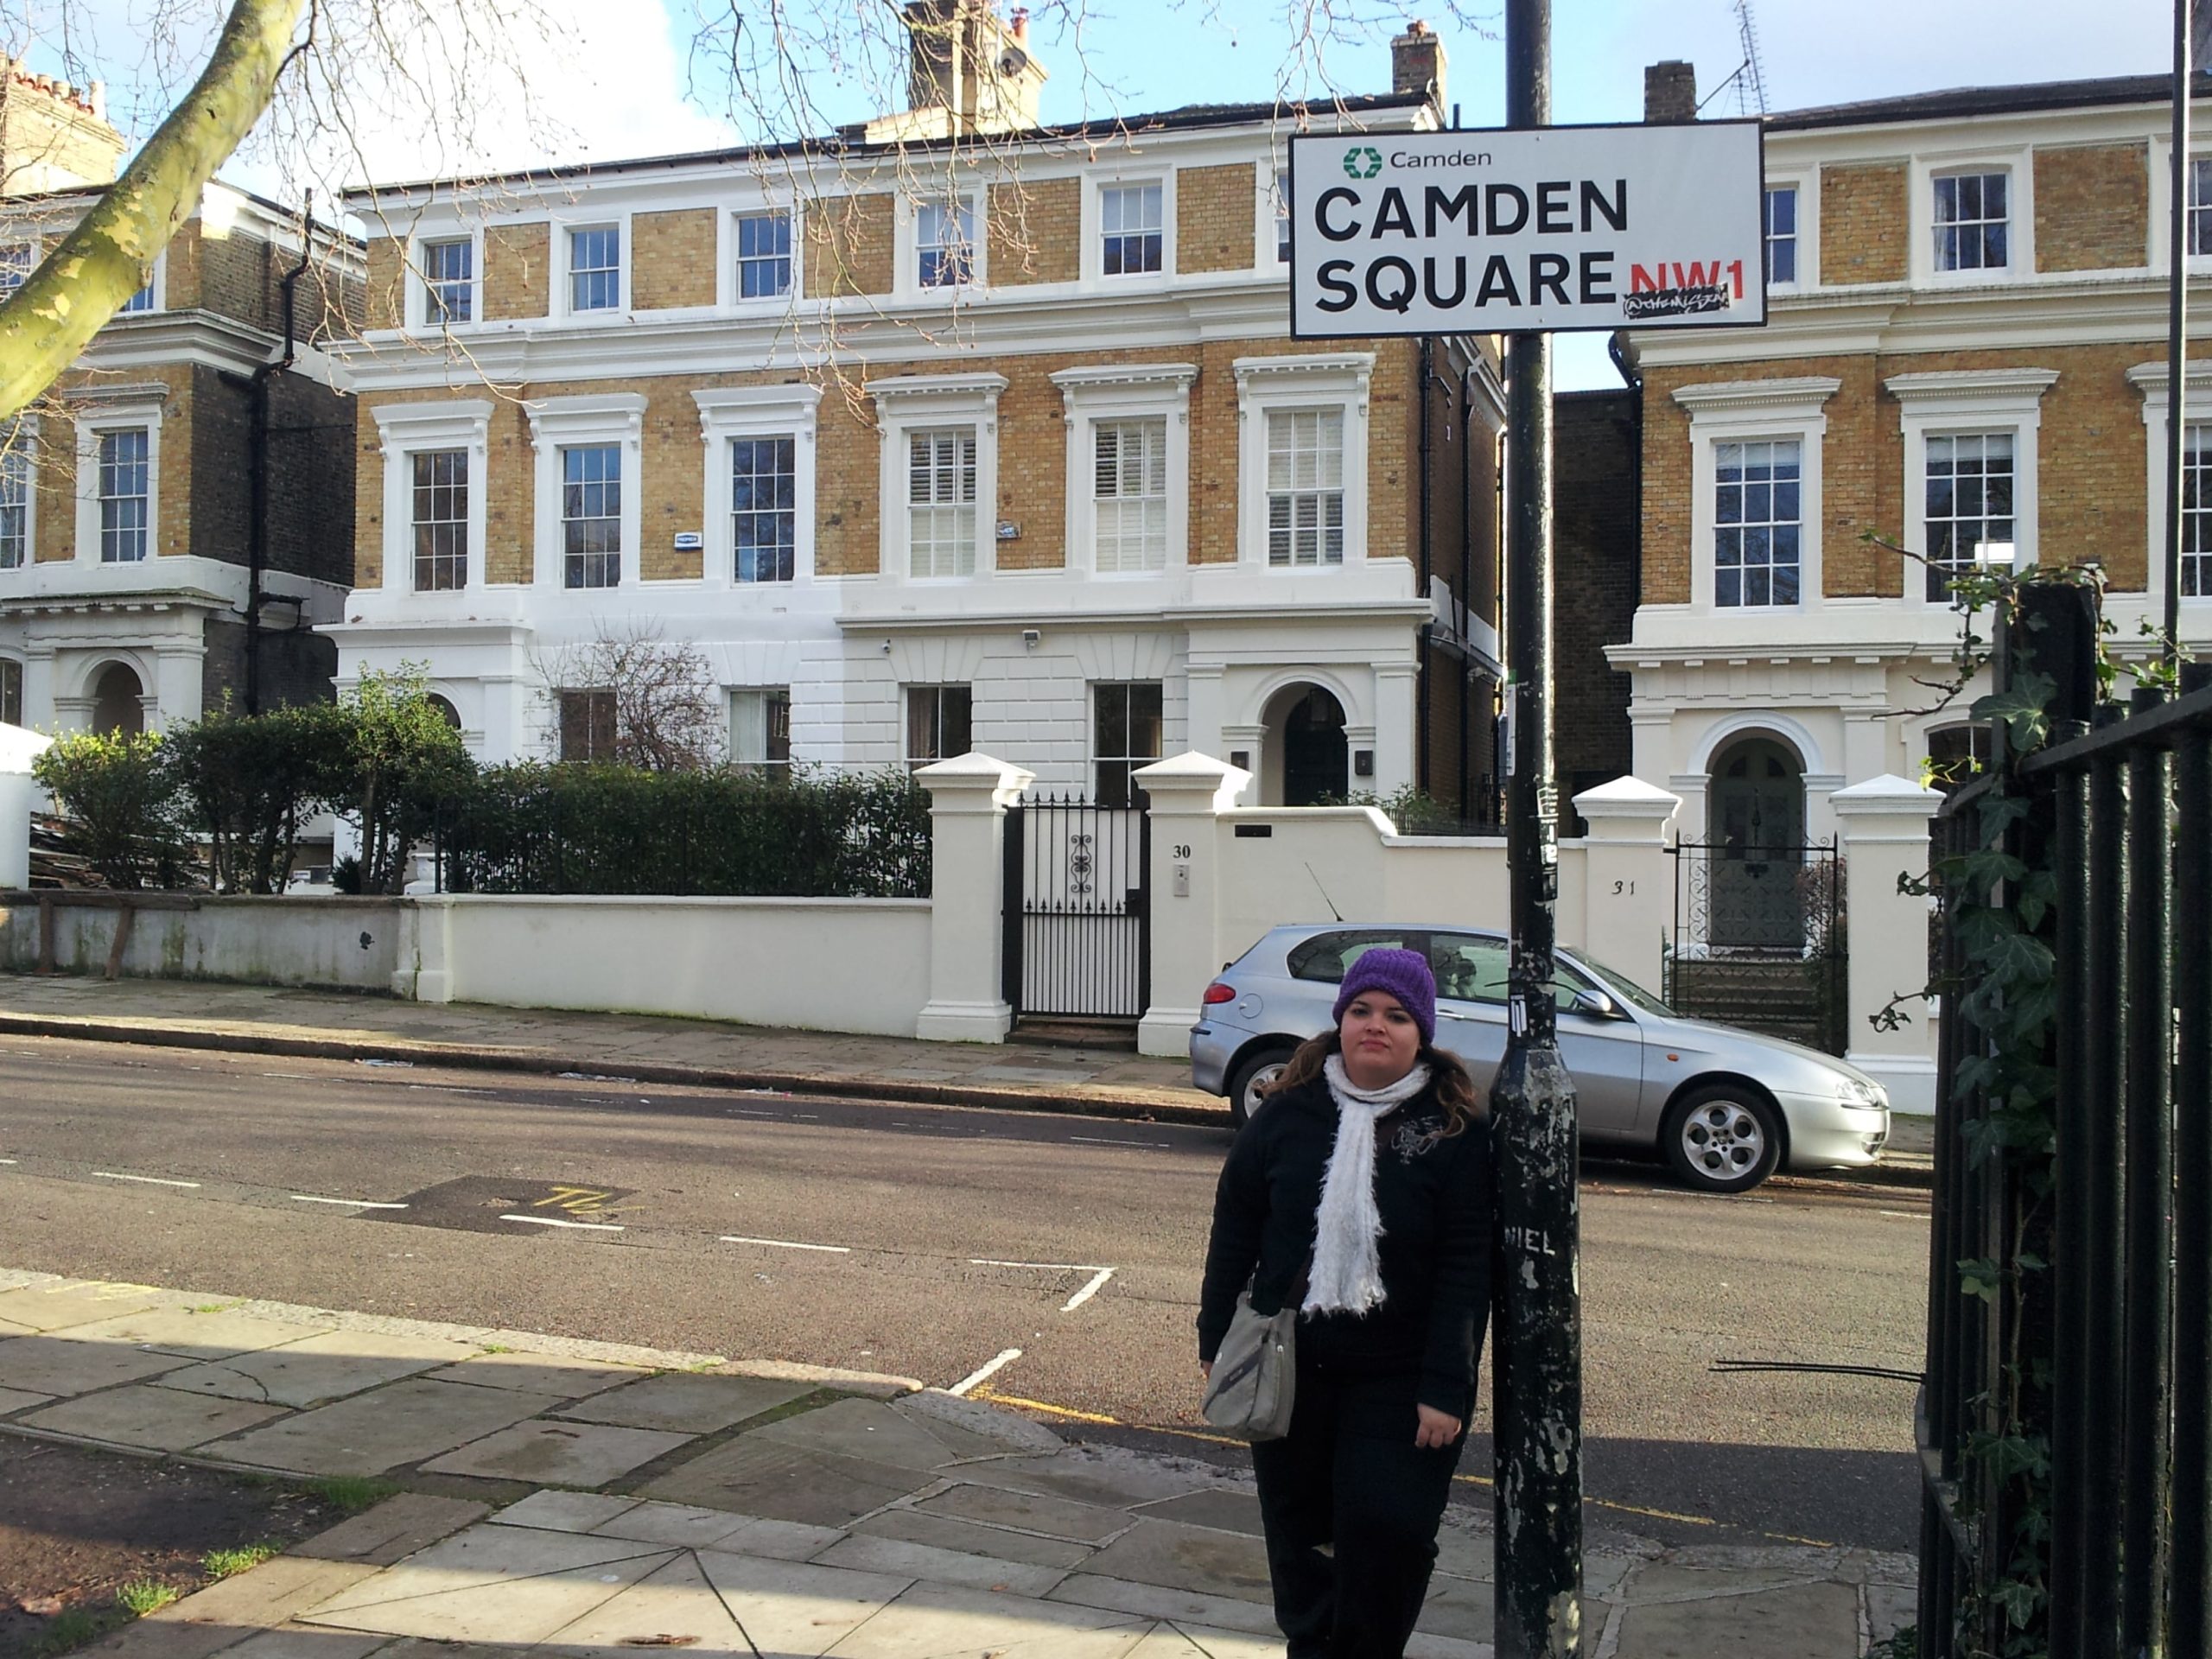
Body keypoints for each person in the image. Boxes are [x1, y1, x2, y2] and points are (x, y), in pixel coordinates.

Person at [1198, 946, 1492, 1659]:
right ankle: (1311, 1645)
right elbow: (1235, 1228)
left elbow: (1466, 1268)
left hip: (1401, 1378)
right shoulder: (1284, 1116)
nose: (1376, 1026)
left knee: (1388, 1532)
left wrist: (1445, 1388)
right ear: (1340, 1020)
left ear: (1421, 1031)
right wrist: (1216, 1346)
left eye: (1396, 1015)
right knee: (1300, 1535)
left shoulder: (1453, 1132)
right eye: (1361, 1010)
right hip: (1292, 1369)